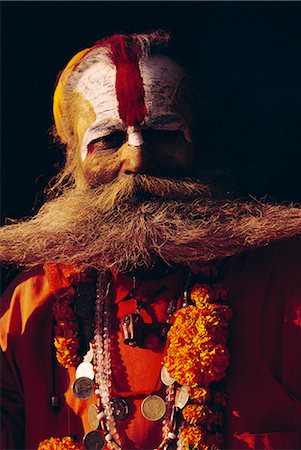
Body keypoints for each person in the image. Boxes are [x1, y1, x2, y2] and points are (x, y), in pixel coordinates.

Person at [1, 31, 301, 450]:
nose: (138, 158)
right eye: (108, 139)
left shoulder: (287, 281)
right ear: (72, 160)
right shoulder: (29, 307)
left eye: (164, 133)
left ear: (201, 145)